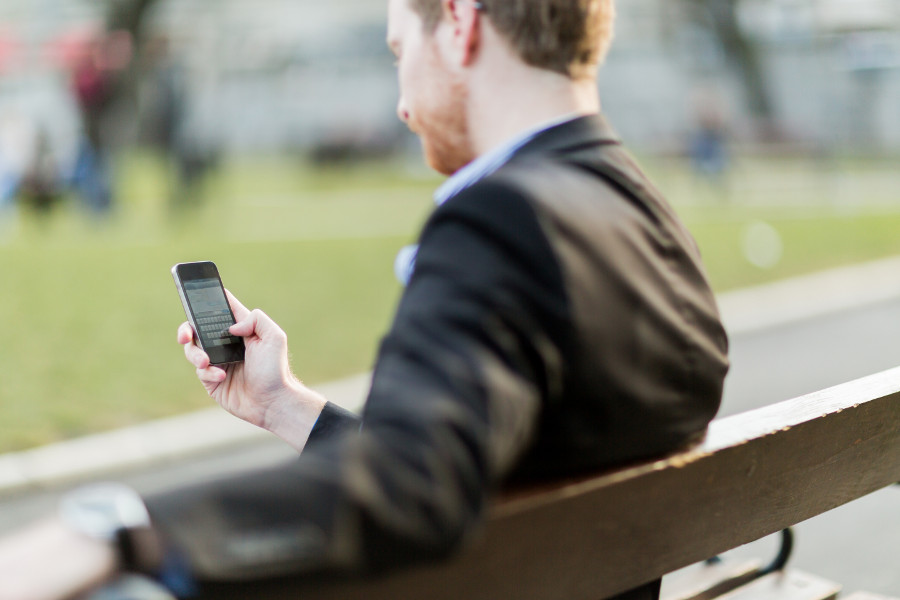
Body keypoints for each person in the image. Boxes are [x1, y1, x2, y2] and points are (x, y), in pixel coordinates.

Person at [0, 1, 729, 599]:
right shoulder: (648, 219)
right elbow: (450, 462)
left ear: (461, 23)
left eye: (396, 50)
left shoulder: (502, 221)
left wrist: (114, 531)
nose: (402, 97)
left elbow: (411, 493)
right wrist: (284, 403)